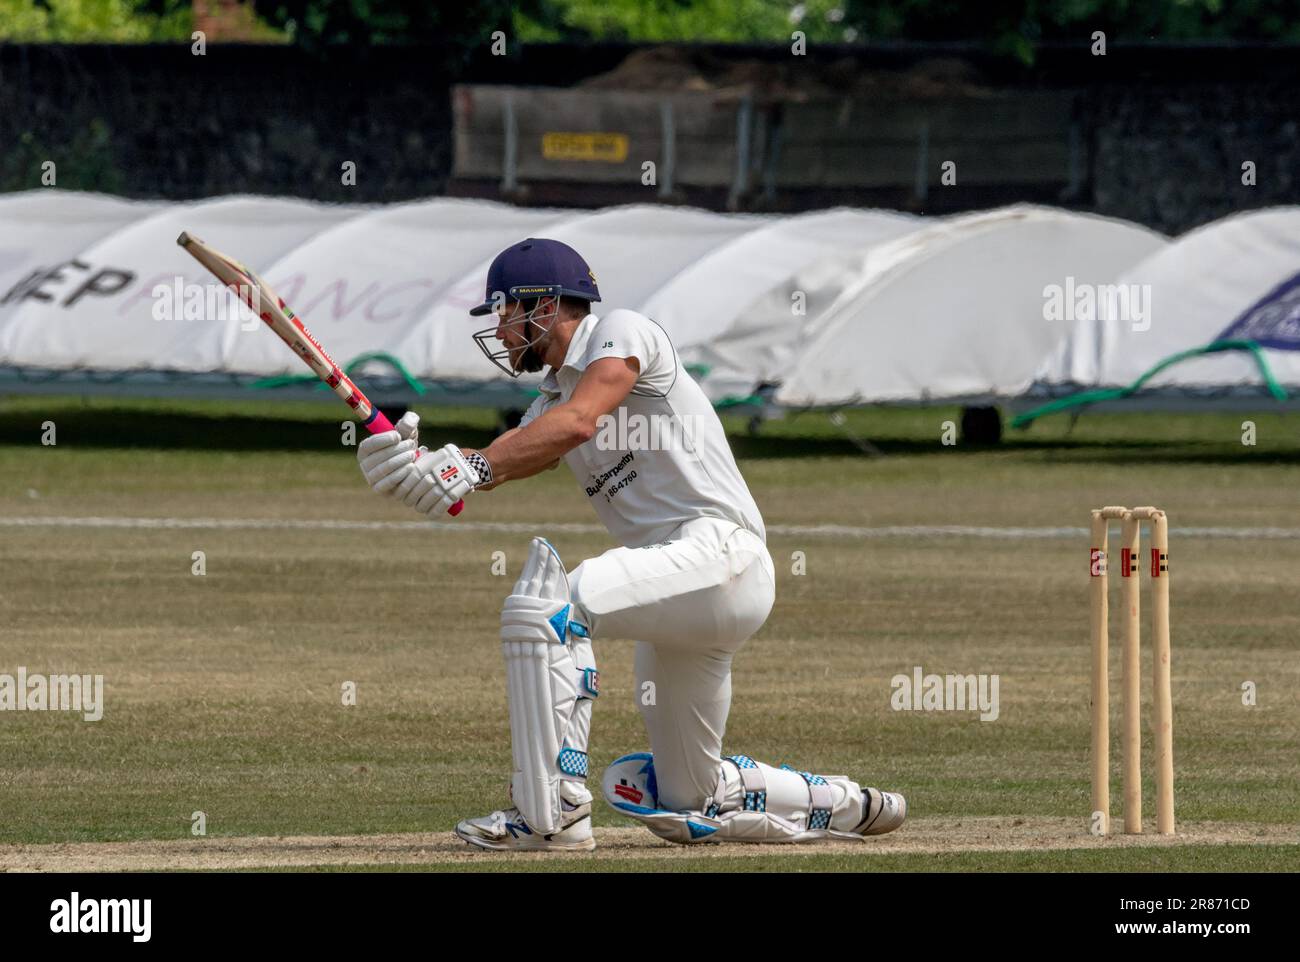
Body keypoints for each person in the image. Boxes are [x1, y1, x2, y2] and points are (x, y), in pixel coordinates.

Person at [356, 237, 906, 850]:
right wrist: (420, 471)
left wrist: (473, 466)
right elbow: (521, 450)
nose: (503, 332)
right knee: (686, 797)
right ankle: (845, 802)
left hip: (722, 556)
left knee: (552, 610)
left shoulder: (622, 332)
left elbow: (578, 422)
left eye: (507, 312)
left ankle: (551, 813)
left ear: (543, 304)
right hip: (681, 597)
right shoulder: (551, 403)